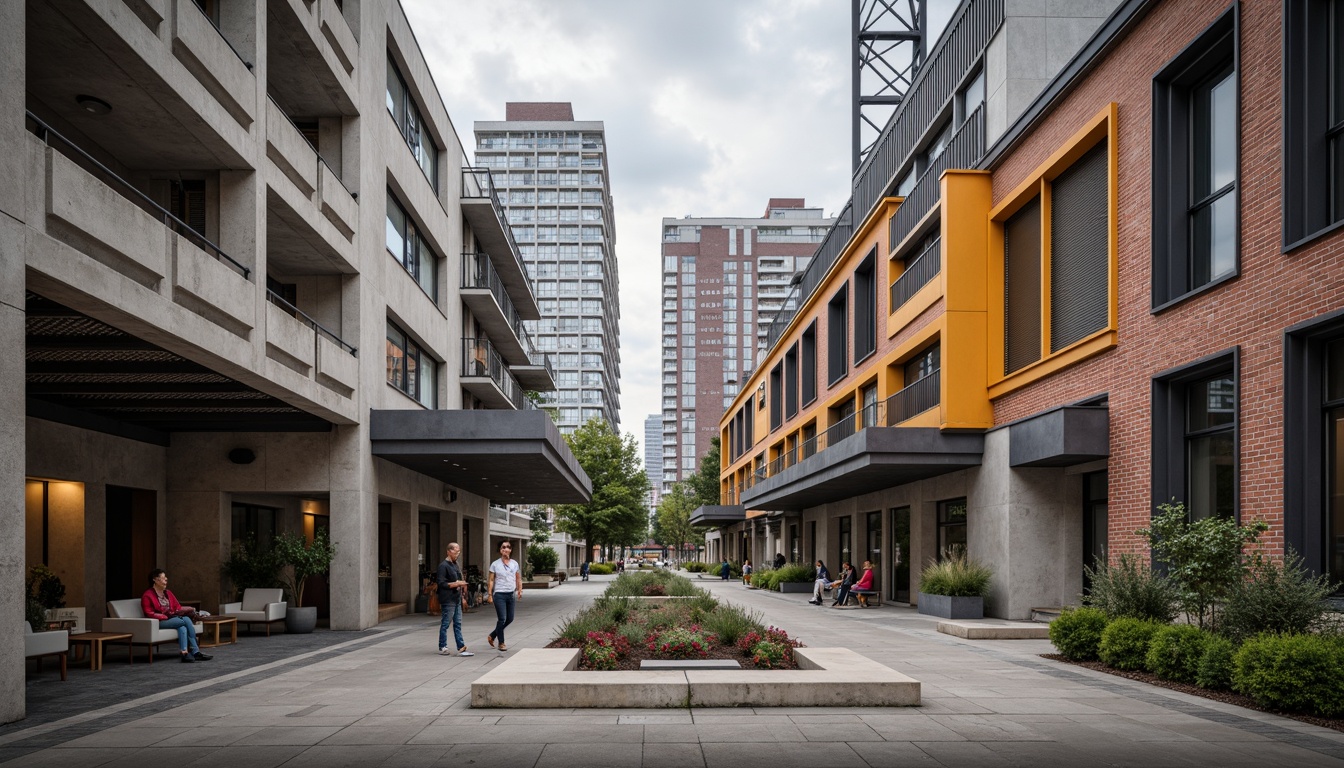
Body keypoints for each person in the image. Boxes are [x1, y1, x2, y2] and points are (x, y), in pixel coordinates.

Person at [140, 569, 211, 663]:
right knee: (186, 620)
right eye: (163, 577)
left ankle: (184, 653)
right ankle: (195, 651)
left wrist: (190, 609)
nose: (166, 579)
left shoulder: (168, 593)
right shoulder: (147, 595)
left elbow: (177, 607)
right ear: (155, 580)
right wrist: (163, 616)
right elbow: (148, 613)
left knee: (183, 628)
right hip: (158, 622)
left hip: (172, 619)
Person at [436, 543, 472, 656]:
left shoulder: (455, 565)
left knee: (458, 623)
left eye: (459, 552)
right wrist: (455, 584)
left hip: (456, 598)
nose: (457, 554)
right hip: (448, 599)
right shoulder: (443, 566)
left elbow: (459, 579)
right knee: (446, 623)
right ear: (449, 551)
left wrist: (462, 595)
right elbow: (441, 583)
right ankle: (442, 646)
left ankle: (461, 646)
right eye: (456, 552)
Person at [486, 541, 522, 652]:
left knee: (510, 618)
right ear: (500, 550)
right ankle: (501, 643)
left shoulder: (514, 563)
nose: (505, 549)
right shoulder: (495, 564)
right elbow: (491, 580)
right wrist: (490, 594)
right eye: (503, 547)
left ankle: (492, 635)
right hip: (499, 594)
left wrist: (520, 590)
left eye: (507, 547)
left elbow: (518, 578)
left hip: (511, 594)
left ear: (510, 550)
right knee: (502, 619)